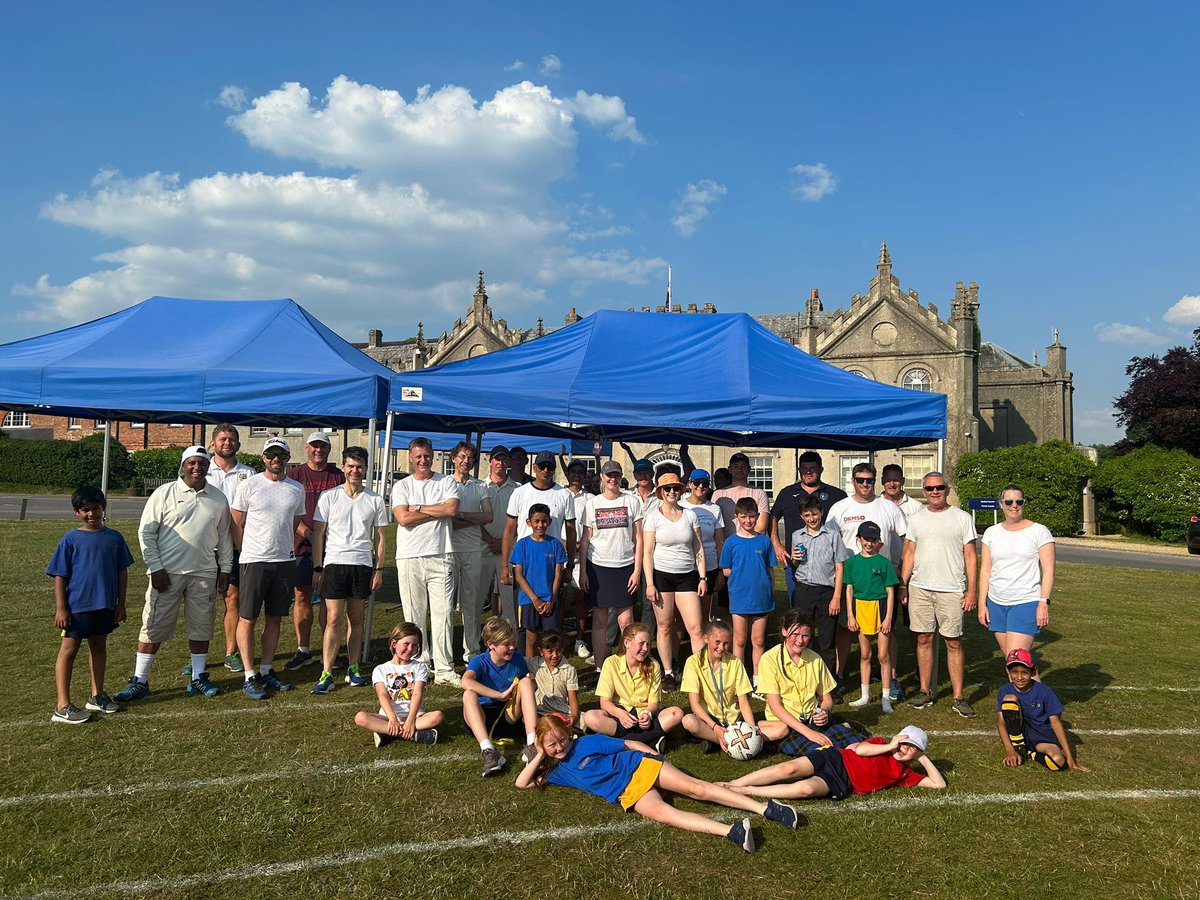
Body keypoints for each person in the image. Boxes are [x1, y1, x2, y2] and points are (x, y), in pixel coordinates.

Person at [517, 715, 800, 854]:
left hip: (640, 766)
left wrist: (655, 758)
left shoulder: (587, 742)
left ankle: (766, 808)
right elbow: (522, 783)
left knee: (696, 788)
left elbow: (627, 743)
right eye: (552, 745)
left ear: (569, 734)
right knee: (666, 815)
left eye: (563, 740)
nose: (560, 747)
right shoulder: (558, 772)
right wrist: (540, 753)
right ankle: (733, 832)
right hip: (628, 793)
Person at [116, 446, 233, 702]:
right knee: (153, 626)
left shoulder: (218, 498)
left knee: (201, 627)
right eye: (192, 463)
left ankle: (198, 677)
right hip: (166, 574)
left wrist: (225, 569)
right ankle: (140, 680)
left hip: (204, 573)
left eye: (202, 463)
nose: (197, 468)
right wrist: (156, 567)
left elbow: (224, 537)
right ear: (183, 466)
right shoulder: (164, 493)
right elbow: (146, 533)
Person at [47, 485, 134, 724]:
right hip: (77, 607)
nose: (91, 514)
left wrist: (121, 603)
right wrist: (61, 607)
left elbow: (121, 571)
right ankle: (62, 705)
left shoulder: (114, 537)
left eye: (96, 508)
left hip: (104, 605)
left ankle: (97, 696)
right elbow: (59, 575)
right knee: (69, 650)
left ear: (104, 508)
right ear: (77, 511)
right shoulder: (70, 539)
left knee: (99, 646)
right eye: (86, 510)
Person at [230, 437, 306, 700]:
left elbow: (294, 522)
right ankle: (249, 675)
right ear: (263, 457)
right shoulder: (249, 485)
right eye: (271, 454)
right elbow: (236, 523)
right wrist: (245, 552)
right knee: (247, 618)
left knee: (275, 618)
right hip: (254, 560)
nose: (276, 459)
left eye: (281, 455)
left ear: (287, 458)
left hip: (284, 561)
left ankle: (266, 669)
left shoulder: (296, 488)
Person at [310, 446, 389, 693]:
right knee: (333, 619)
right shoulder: (329, 496)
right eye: (351, 466)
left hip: (362, 565)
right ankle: (327, 672)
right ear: (343, 468)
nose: (355, 471)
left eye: (360, 467)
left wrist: (378, 569)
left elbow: (381, 538)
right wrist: (318, 567)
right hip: (334, 564)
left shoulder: (375, 499)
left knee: (356, 618)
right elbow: (318, 535)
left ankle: (353, 668)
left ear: (366, 469)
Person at [902, 471, 978, 716]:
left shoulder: (962, 518)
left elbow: (970, 556)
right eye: (930, 488)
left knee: (953, 641)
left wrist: (972, 591)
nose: (935, 492)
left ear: (947, 489)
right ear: (923, 492)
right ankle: (925, 691)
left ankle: (958, 696)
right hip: (920, 587)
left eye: (940, 487)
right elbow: (909, 554)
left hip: (952, 589)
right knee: (923, 638)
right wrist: (903, 584)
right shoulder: (915, 519)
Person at [391, 436, 462, 686]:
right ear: (411, 458)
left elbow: (451, 510)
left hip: (441, 555)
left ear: (434, 456)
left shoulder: (446, 481)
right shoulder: (402, 486)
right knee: (414, 614)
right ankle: (420, 664)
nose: (423, 461)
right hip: (409, 556)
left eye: (427, 456)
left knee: (443, 614)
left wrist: (418, 507)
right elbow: (403, 519)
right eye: (418, 456)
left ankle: (444, 668)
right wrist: (435, 509)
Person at [724, 725, 946, 800]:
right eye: (904, 742)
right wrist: (890, 746)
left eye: (912, 748)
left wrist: (922, 758)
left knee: (806, 788)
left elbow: (939, 785)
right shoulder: (880, 744)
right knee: (787, 768)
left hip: (842, 782)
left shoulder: (904, 774)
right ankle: (733, 782)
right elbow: (859, 749)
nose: (905, 748)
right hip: (835, 757)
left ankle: (747, 790)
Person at [756, 610, 862, 756]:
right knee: (824, 753)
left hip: (812, 721)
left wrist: (823, 711)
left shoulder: (815, 659)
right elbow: (775, 706)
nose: (800, 641)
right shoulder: (769, 660)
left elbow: (827, 699)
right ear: (784, 631)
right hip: (786, 724)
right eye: (795, 635)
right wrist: (809, 733)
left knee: (854, 742)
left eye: (805, 635)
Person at [285, 432, 345, 672]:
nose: (318, 451)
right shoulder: (295, 476)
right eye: (314, 447)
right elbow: (288, 511)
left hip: (333, 547)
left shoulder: (338, 475)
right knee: (302, 596)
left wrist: (327, 535)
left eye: (323, 447)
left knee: (329, 601)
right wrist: (308, 533)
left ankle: (326, 650)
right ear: (307, 448)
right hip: (301, 545)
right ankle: (303, 649)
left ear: (329, 450)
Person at [577, 459, 643, 669]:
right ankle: (599, 667)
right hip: (599, 567)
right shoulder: (593, 503)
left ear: (621, 476)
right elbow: (586, 539)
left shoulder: (632, 501)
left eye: (616, 475)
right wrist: (584, 572)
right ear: (603, 478)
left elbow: (639, 539)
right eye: (609, 475)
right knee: (599, 621)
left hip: (625, 567)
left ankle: (628, 666)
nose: (613, 479)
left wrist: (637, 571)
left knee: (626, 623)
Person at [643, 472, 706, 690]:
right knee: (665, 627)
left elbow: (698, 547)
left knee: (696, 628)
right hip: (662, 576)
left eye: (675, 488)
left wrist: (703, 577)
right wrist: (650, 583)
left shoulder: (690, 515)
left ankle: (700, 673)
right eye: (667, 489)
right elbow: (647, 552)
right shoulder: (653, 517)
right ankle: (668, 673)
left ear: (681, 490)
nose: (672, 492)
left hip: (687, 576)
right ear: (660, 492)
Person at [979, 484, 1055, 659]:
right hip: (996, 603)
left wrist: (1043, 603)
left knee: (1017, 659)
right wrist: (982, 603)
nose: (1014, 505)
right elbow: (986, 570)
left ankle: (1036, 688)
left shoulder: (1039, 531)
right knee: (1012, 662)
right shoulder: (992, 533)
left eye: (1019, 501)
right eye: (1009, 501)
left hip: (1025, 602)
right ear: (1001, 504)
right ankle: (1032, 688)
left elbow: (1049, 570)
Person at [501, 452, 577, 625]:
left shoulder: (564, 495)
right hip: (524, 563)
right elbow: (509, 530)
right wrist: (505, 565)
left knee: (552, 618)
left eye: (550, 467)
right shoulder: (519, 492)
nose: (545, 470)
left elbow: (571, 531)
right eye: (541, 466)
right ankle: (524, 652)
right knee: (524, 621)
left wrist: (570, 565)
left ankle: (550, 652)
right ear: (534, 467)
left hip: (552, 563)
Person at [204, 423, 256, 673]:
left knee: (232, 599)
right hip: (202, 546)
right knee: (201, 602)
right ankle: (197, 654)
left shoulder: (249, 473)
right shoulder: (200, 468)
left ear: (238, 444)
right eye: (222, 439)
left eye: (232, 439)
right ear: (212, 443)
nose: (227, 443)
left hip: (234, 546)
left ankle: (230, 652)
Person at [584, 623, 684, 752]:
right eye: (641, 643)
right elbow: (604, 702)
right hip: (620, 717)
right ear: (627, 643)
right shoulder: (610, 663)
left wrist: (648, 714)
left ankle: (622, 742)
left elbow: (654, 703)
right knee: (590, 717)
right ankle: (650, 741)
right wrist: (620, 714)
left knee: (677, 713)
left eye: (648, 644)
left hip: (644, 718)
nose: (645, 648)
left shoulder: (653, 665)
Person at [462, 616, 539, 777]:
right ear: (491, 645)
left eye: (513, 643)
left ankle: (532, 744)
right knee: (469, 694)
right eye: (506, 644)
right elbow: (466, 681)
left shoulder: (517, 659)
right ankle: (488, 751)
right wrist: (499, 695)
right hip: (480, 718)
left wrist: (531, 681)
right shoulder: (480, 661)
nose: (512, 647)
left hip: (507, 716)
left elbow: (528, 687)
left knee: (525, 682)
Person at [769, 451, 847, 607]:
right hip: (795, 562)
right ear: (799, 470)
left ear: (821, 469)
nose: (808, 472)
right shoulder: (787, 493)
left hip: (826, 567)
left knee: (826, 611)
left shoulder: (837, 495)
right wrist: (776, 544)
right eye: (804, 468)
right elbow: (773, 517)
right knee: (798, 610)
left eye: (813, 468)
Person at [996, 648, 1088, 771]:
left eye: (1024, 672)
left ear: (1034, 672)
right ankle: (1018, 744)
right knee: (1009, 699)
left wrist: (1070, 757)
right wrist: (1010, 751)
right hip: (1018, 732)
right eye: (1014, 672)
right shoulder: (1004, 691)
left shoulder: (1045, 692)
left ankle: (1030, 754)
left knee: (1058, 761)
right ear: (1008, 671)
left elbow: (1055, 722)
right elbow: (1001, 722)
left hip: (1040, 735)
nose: (1019, 677)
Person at [353, 622, 443, 747]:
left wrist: (411, 721)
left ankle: (387, 733)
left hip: (416, 717)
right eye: (406, 644)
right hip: (388, 717)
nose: (410, 649)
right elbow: (382, 694)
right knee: (360, 717)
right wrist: (392, 719)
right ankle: (414, 735)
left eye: (415, 645)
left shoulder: (419, 667)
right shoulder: (381, 669)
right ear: (394, 644)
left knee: (437, 716)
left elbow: (417, 693)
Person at [789, 495, 849, 678]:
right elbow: (795, 564)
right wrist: (795, 560)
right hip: (804, 590)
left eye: (814, 514)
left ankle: (827, 683)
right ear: (802, 516)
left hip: (826, 592)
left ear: (821, 512)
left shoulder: (832, 536)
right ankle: (802, 678)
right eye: (807, 515)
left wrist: (836, 597)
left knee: (826, 639)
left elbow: (840, 567)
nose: (812, 518)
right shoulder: (797, 535)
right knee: (801, 636)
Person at [719, 497, 775, 690]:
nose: (748, 521)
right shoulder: (731, 542)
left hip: (761, 597)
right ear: (737, 518)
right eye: (744, 517)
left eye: (752, 517)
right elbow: (725, 568)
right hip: (740, 597)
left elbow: (770, 569)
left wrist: (771, 591)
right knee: (740, 640)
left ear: (757, 517)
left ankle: (758, 681)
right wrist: (739, 574)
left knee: (758, 640)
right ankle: (739, 680)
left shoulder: (764, 541)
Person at [843, 521, 899, 713]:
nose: (869, 543)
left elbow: (890, 591)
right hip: (861, 608)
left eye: (873, 540)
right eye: (866, 539)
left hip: (881, 608)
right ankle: (865, 695)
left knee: (883, 655)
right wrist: (851, 615)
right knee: (865, 654)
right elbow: (849, 590)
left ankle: (885, 698)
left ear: (878, 542)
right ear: (859, 539)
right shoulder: (851, 563)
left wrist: (888, 617)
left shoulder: (884, 563)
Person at [446, 441, 493, 664]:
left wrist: (461, 515)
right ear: (453, 458)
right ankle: (444, 654)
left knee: (471, 604)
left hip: (473, 549)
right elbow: (448, 522)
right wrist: (469, 519)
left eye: (470, 458)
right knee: (445, 605)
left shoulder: (480, 486)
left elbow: (488, 516)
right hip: (449, 549)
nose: (466, 461)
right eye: (462, 457)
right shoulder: (445, 484)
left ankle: (471, 651)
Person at [680, 619, 755, 754]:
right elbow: (694, 705)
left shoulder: (735, 662)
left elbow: (743, 702)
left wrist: (753, 730)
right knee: (688, 721)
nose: (721, 648)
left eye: (726, 643)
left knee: (779, 730)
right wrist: (715, 727)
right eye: (717, 642)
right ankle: (731, 741)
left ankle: (715, 741)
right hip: (709, 719)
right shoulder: (692, 662)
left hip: (733, 720)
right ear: (706, 639)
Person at [511, 503, 568, 655]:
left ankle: (551, 673)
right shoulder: (522, 545)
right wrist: (535, 599)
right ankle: (531, 673)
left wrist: (551, 599)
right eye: (536, 521)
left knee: (551, 640)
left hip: (550, 600)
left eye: (544, 521)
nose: (540, 525)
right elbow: (518, 575)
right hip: (529, 600)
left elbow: (558, 574)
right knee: (531, 638)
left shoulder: (555, 544)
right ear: (529, 522)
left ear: (549, 522)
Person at [826, 462, 907, 567]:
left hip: (880, 575)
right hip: (850, 575)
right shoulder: (838, 508)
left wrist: (901, 566)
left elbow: (908, 540)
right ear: (852, 481)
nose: (864, 484)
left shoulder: (890, 507)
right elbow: (828, 542)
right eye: (860, 480)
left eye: (869, 480)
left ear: (875, 481)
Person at [680, 469, 725, 623]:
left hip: (709, 565)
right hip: (685, 565)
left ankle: (704, 645)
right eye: (696, 483)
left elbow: (719, 541)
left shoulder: (714, 508)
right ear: (689, 485)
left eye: (704, 483)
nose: (700, 486)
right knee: (681, 616)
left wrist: (720, 570)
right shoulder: (680, 505)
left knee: (705, 614)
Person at [480, 446, 517, 622]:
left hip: (508, 551)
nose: (500, 463)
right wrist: (489, 540)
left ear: (508, 462)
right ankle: (473, 644)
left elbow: (521, 521)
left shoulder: (517, 489)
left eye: (504, 460)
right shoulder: (480, 487)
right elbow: (476, 519)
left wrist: (503, 542)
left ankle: (511, 642)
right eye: (497, 459)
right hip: (484, 548)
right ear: (491, 460)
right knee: (477, 600)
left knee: (508, 601)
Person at [560, 456, 591, 659]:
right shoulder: (559, 495)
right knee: (559, 598)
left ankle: (580, 640)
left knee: (581, 598)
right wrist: (567, 544)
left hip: (582, 553)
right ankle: (558, 639)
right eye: (573, 472)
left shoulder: (590, 499)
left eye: (581, 472)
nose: (577, 476)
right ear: (568, 474)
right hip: (561, 553)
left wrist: (580, 545)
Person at [527, 631, 581, 728]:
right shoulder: (535, 664)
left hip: (561, 711)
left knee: (587, 720)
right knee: (528, 718)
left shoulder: (569, 670)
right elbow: (516, 659)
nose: (555, 655)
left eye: (558, 651)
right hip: (540, 710)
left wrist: (574, 716)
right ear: (541, 651)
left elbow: (572, 696)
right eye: (550, 651)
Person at [711, 452, 768, 539]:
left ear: (749, 469)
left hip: (752, 545)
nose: (739, 470)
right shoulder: (718, 494)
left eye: (743, 466)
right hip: (727, 546)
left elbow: (761, 527)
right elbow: (714, 525)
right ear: (730, 469)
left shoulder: (759, 493)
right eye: (736, 466)